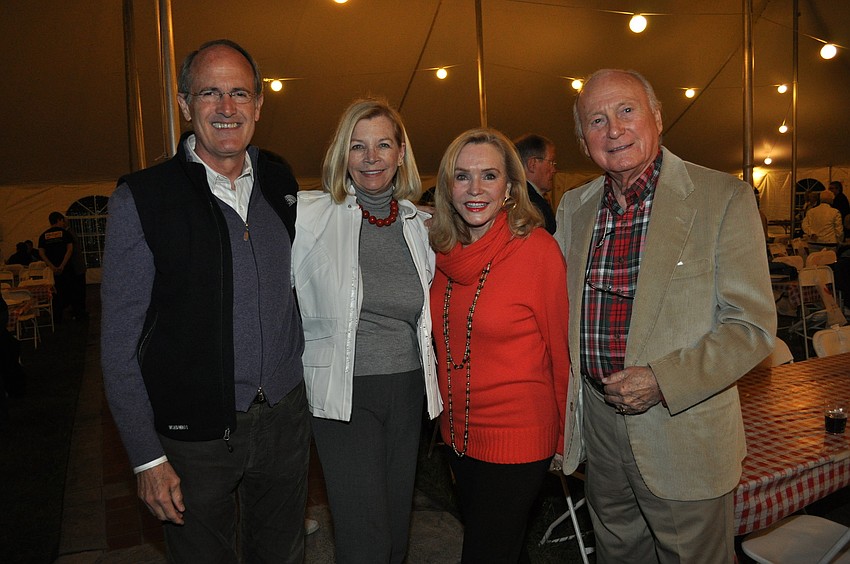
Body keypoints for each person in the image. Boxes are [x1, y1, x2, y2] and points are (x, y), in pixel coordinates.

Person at [101, 39, 309, 563]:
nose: (226, 107)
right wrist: (147, 457)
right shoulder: (142, 198)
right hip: (194, 434)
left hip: (284, 420)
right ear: (184, 103)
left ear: (259, 105)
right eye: (210, 93)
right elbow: (119, 345)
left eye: (240, 93)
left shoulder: (280, 180)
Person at [555, 69, 775, 563]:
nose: (613, 129)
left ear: (656, 116)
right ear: (583, 139)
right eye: (596, 120)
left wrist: (661, 380)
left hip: (682, 427)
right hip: (599, 427)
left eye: (626, 110)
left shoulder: (722, 198)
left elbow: (752, 328)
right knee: (618, 553)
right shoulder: (574, 207)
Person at [291, 97, 442, 563]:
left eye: (382, 145)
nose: (371, 157)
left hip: (407, 389)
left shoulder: (424, 225)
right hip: (344, 394)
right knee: (364, 535)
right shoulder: (309, 216)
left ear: (401, 153)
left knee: (397, 529)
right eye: (358, 146)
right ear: (343, 155)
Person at [429, 128, 570, 563]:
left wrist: (565, 440)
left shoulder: (537, 250)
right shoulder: (437, 251)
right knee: (502, 546)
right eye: (462, 176)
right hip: (459, 438)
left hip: (520, 438)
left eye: (488, 176)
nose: (475, 190)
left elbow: (561, 353)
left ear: (510, 186)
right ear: (446, 187)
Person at [513, 133, 558, 234]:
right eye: (551, 162)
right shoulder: (531, 204)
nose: (554, 170)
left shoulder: (512, 197)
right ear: (532, 164)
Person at [37, 212, 75, 321]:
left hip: (52, 270)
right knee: (68, 289)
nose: (63, 223)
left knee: (54, 292)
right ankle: (68, 311)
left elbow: (41, 253)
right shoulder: (65, 233)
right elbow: (70, 249)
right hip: (66, 268)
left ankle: (57, 316)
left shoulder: (43, 236)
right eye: (62, 220)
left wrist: (52, 266)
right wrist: (62, 265)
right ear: (58, 220)